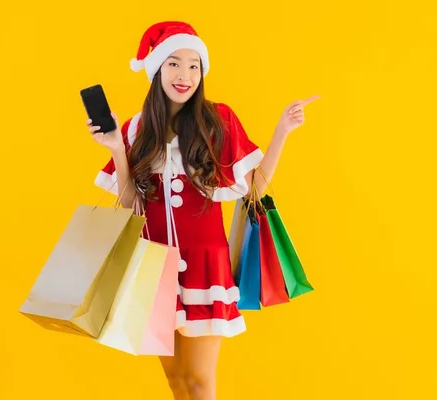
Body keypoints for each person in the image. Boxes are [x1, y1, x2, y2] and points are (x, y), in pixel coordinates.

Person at [86, 21, 319, 400]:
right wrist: (115, 147)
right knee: (177, 381)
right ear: (157, 69)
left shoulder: (217, 120)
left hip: (205, 267)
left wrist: (282, 131)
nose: (185, 75)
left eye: (194, 66)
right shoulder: (135, 130)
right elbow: (131, 206)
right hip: (152, 267)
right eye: (175, 64)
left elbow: (254, 189)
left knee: (199, 381)